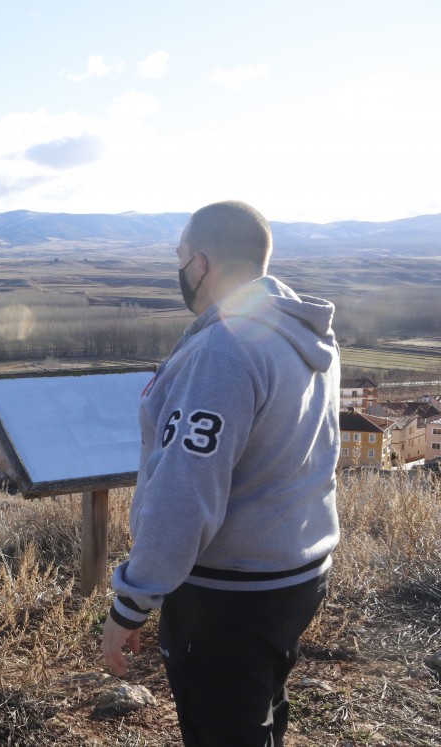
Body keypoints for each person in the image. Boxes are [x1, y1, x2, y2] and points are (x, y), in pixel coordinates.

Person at [100, 201, 340, 746]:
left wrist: (132, 603)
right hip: (296, 573)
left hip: (227, 595)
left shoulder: (224, 350)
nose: (180, 271)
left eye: (181, 259)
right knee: (260, 713)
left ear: (201, 263)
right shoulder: (301, 332)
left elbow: (185, 491)